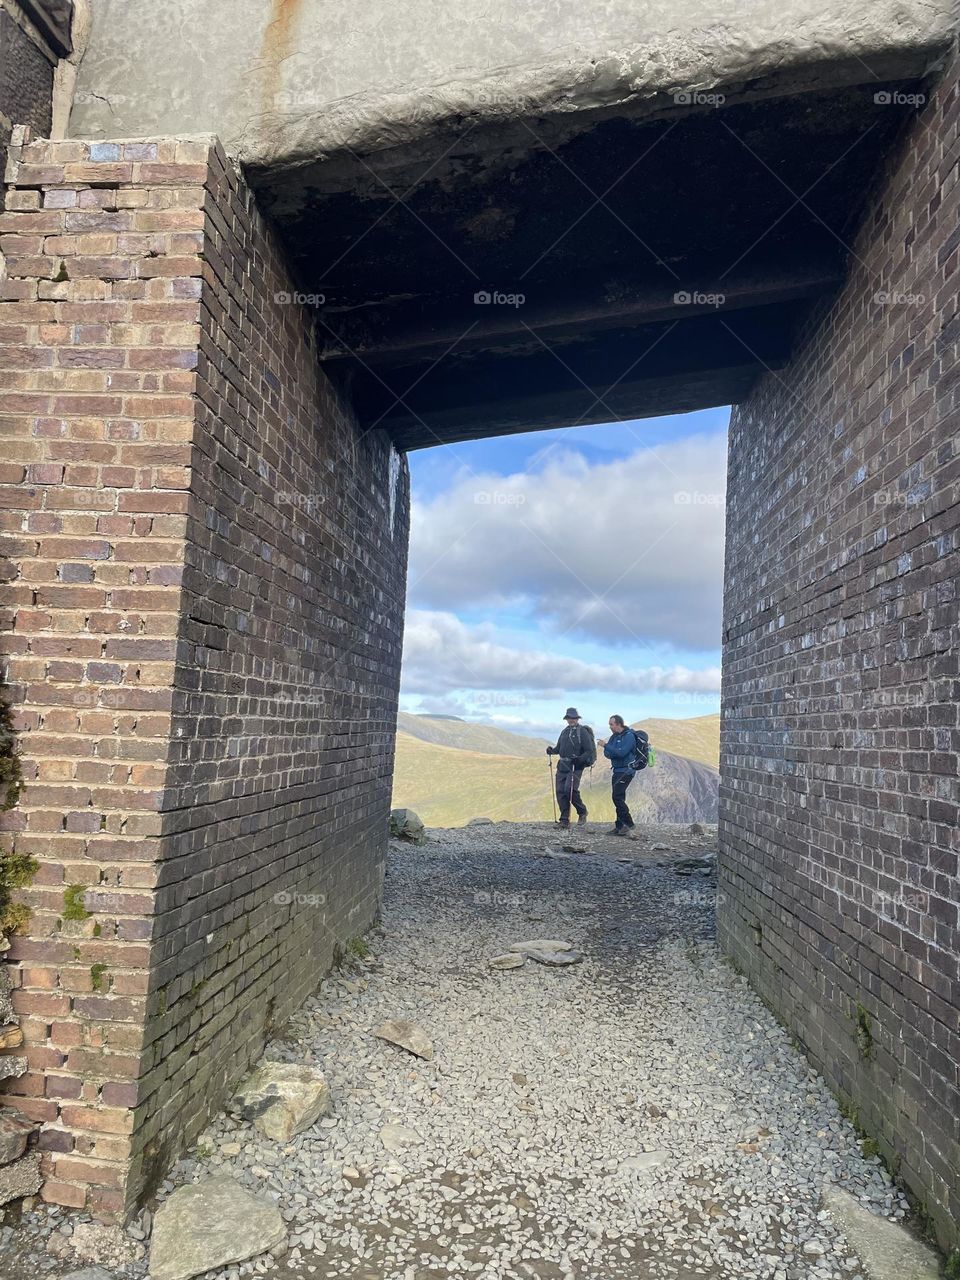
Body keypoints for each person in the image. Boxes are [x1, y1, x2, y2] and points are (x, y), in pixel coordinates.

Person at [545, 707, 595, 828]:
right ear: (566, 719)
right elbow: (559, 748)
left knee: (569, 789)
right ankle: (564, 820)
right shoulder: (564, 731)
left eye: (573, 718)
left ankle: (582, 812)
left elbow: (589, 750)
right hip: (562, 765)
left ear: (577, 719)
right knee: (560, 792)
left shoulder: (582, 731)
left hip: (575, 766)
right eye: (569, 718)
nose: (571, 720)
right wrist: (551, 751)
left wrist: (579, 760)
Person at [597, 714, 637, 836]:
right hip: (617, 770)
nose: (610, 727)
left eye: (611, 724)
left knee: (617, 797)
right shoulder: (614, 737)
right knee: (618, 797)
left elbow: (621, 752)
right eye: (609, 724)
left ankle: (629, 824)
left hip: (627, 771)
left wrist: (607, 746)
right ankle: (620, 826)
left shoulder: (629, 736)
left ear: (618, 724)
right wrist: (613, 751)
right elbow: (608, 754)